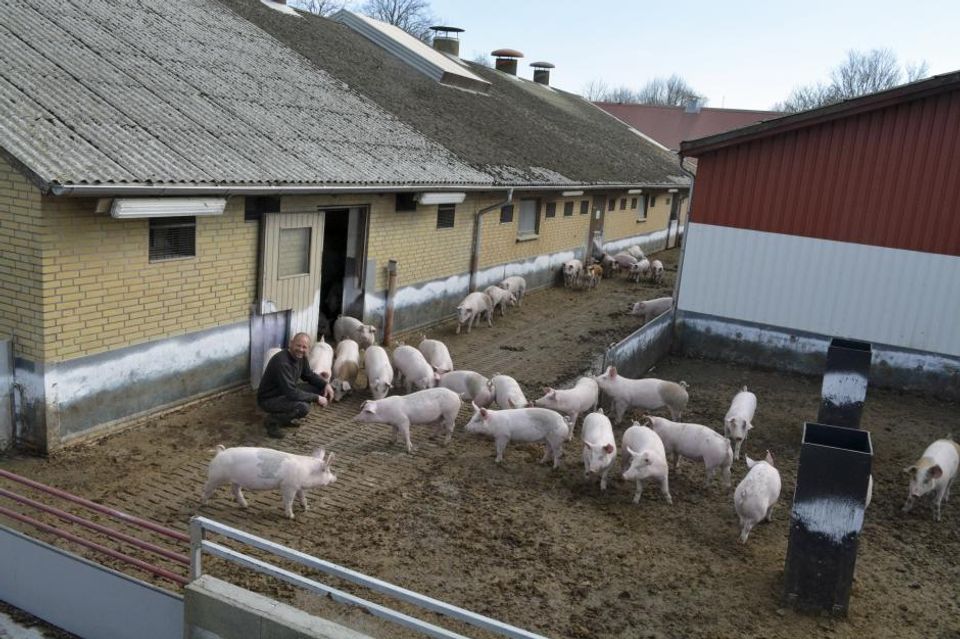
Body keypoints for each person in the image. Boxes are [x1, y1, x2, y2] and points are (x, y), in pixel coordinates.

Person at [257, 332, 334, 439]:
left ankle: (285, 418)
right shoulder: (282, 362)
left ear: (308, 348)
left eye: (304, 347)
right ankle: (272, 421)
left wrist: (325, 384)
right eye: (298, 345)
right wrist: (316, 398)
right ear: (291, 343)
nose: (301, 349)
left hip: (285, 391)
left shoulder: (301, 357)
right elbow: (291, 393)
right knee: (303, 407)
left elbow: (308, 375)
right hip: (270, 398)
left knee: (319, 388)